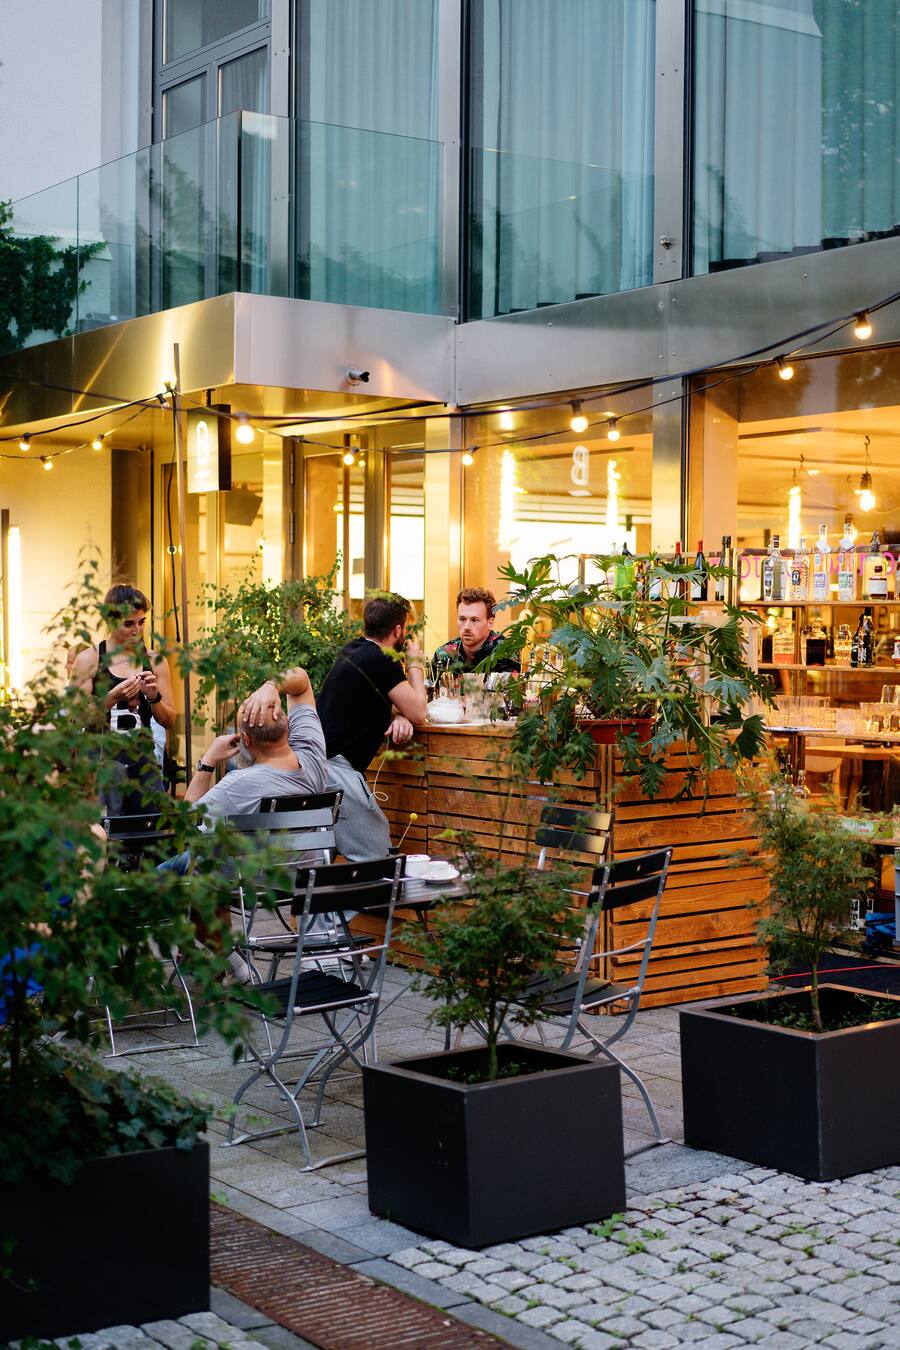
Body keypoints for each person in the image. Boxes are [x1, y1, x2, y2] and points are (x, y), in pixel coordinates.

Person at [308, 594, 428, 860]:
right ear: (398, 630)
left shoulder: (354, 650)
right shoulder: (380, 659)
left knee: (320, 858)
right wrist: (416, 662)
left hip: (316, 766)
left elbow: (380, 700)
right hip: (337, 773)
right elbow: (419, 711)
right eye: (405, 629)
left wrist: (398, 715)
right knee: (376, 857)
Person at [69, 584, 176, 815]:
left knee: (151, 837)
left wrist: (154, 697)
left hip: (142, 763)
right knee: (104, 836)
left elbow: (170, 720)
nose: (137, 630)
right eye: (128, 623)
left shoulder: (155, 660)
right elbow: (73, 720)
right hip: (100, 764)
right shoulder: (90, 659)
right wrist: (111, 697)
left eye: (142, 622)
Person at [433, 587, 521, 674]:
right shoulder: (443, 654)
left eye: (474, 620)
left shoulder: (504, 653)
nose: (466, 627)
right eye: (462, 619)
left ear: (490, 623)